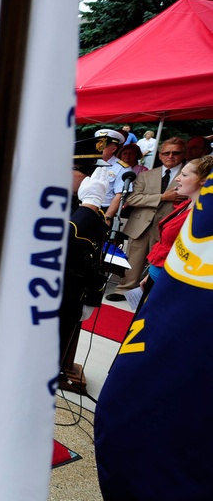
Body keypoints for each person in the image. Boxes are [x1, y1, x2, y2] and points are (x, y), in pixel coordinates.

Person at [108, 138, 187, 301]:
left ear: (183, 154)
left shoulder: (188, 175)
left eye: (176, 152)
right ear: (160, 155)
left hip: (168, 227)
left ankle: (153, 295)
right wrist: (162, 197)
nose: (170, 156)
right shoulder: (146, 175)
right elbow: (132, 199)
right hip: (141, 224)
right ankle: (124, 290)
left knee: (160, 263)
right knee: (132, 260)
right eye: (166, 153)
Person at [58, 178, 109, 393]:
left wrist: (92, 297)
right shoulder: (95, 217)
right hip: (74, 291)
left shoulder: (79, 222)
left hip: (68, 291)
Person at [139, 155, 213, 297]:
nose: (177, 178)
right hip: (158, 275)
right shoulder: (186, 204)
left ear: (204, 181)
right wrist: (151, 274)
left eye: (184, 175)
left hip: (171, 282)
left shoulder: (202, 214)